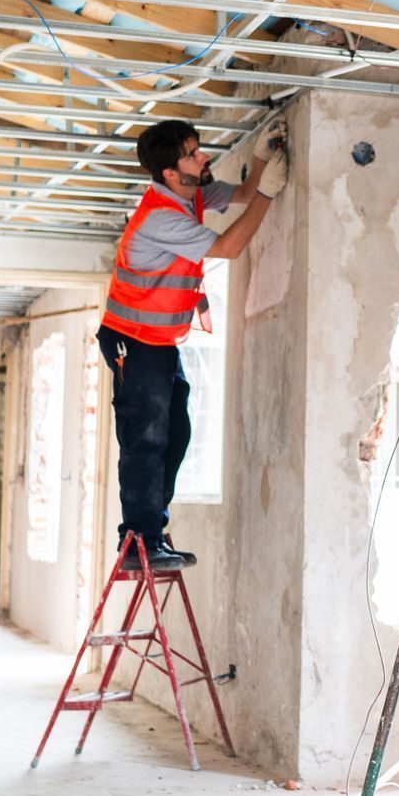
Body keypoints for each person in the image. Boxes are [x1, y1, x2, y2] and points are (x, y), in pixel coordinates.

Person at [98, 117, 288, 572]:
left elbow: (239, 195)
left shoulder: (191, 195)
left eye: (198, 149)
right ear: (169, 172)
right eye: (191, 154)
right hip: (132, 341)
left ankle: (150, 534)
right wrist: (269, 195)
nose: (203, 157)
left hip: (158, 342)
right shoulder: (161, 216)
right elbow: (229, 246)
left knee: (175, 434)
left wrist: (261, 159)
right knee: (145, 438)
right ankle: (138, 542)